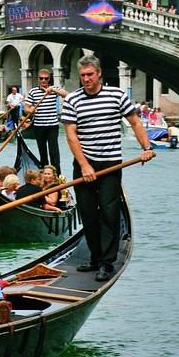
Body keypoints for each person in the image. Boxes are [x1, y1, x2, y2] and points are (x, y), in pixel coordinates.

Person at [62, 55, 155, 282]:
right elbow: (71, 135)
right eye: (82, 75)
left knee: (109, 213)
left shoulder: (117, 95)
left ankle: (106, 262)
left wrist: (147, 147)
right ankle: (94, 257)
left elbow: (134, 122)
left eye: (89, 75)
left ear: (99, 73)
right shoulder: (72, 100)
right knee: (88, 213)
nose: (86, 79)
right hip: (84, 165)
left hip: (111, 164)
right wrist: (84, 166)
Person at [24, 69, 69, 173]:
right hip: (38, 126)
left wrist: (52, 90)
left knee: (54, 153)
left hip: (52, 126)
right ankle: (45, 175)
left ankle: (57, 176)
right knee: (43, 153)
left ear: (49, 79)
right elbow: (26, 108)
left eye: (46, 78)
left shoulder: (54, 89)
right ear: (38, 79)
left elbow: (66, 94)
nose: (43, 80)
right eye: (41, 78)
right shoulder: (33, 91)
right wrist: (31, 110)